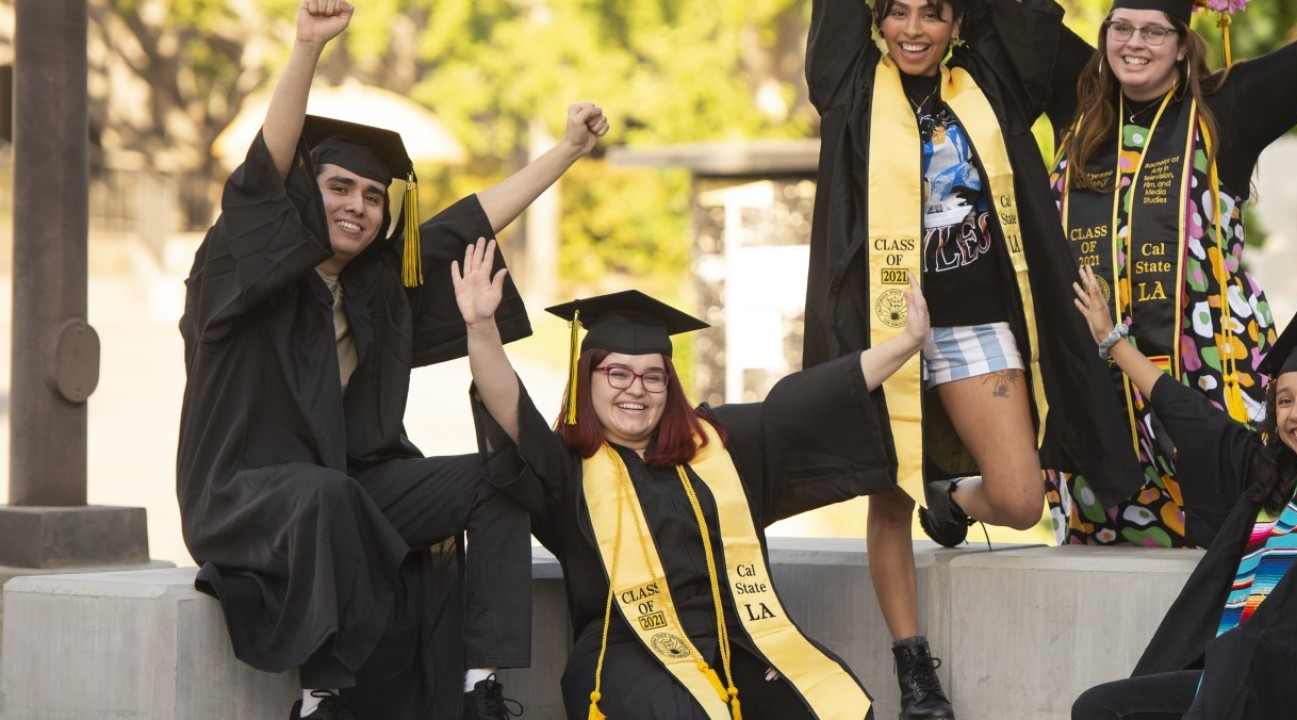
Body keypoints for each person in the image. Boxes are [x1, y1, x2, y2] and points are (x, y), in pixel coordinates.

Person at [175, 2, 610, 718]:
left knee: (495, 480)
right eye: (338, 187)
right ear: (301, 198)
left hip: (348, 489)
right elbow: (260, 179)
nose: (358, 206)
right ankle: (325, 695)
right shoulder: (241, 275)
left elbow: (468, 223)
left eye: (374, 196)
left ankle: (481, 689)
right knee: (327, 494)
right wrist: (308, 48)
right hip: (245, 497)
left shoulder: (377, 289)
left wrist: (566, 151)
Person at [804, 1, 1135, 716]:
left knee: (1019, 500)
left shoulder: (990, 79)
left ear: (959, 25)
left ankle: (949, 499)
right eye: (898, 12)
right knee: (888, 497)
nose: (914, 29)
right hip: (881, 327)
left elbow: (1023, 20)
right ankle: (913, 665)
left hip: (974, 321)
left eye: (933, 13)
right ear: (875, 21)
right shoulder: (849, 83)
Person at [454, 239, 928, 720]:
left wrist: (904, 344)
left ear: (669, 385)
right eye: (617, 373)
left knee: (832, 705)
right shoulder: (566, 465)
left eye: (653, 377)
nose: (635, 390)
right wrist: (481, 328)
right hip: (626, 653)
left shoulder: (715, 445)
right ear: (587, 379)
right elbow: (510, 409)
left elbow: (803, 405)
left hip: (737, 638)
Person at [1047, 0, 1297, 547]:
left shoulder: (1224, 107)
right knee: (1106, 536)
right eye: (1122, 28)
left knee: (1228, 528)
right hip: (1096, 370)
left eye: (1154, 31)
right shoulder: (1078, 99)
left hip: (1209, 364)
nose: (1134, 43)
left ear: (1183, 42)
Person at [1066, 167, 1297, 719]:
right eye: (1286, 400)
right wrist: (1112, 341)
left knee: (1240, 659)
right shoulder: (1269, 476)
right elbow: (1190, 414)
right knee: (1100, 709)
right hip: (1225, 677)